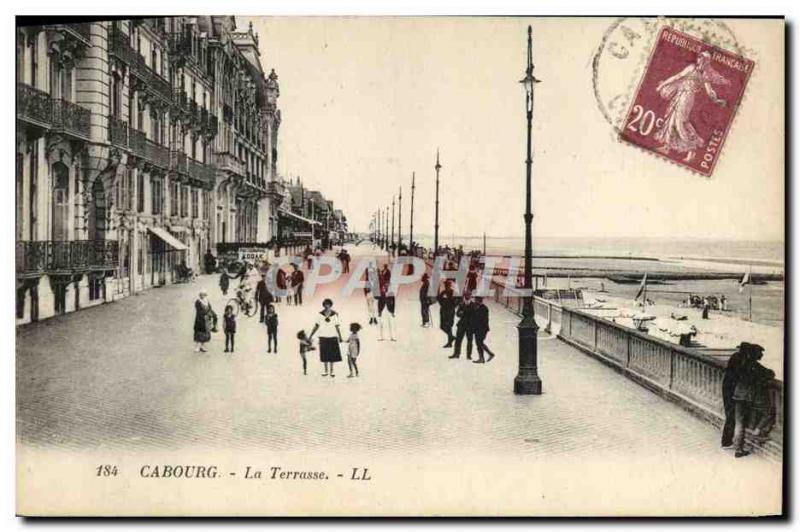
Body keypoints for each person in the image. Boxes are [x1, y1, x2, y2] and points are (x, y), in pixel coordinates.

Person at [731, 344, 776, 457]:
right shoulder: (756, 367)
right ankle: (757, 431)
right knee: (768, 412)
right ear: (755, 355)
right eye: (760, 353)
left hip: (737, 396)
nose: (761, 355)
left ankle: (738, 449)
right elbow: (770, 374)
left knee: (739, 422)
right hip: (749, 398)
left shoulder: (742, 364)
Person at [308, 298, 344, 377]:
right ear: (323, 305)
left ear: (330, 305)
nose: (327, 306)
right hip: (323, 337)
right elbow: (316, 326)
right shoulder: (320, 315)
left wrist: (340, 337)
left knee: (332, 355)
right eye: (325, 304)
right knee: (324, 355)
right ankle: (325, 371)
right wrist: (310, 335)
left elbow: (337, 326)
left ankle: (332, 371)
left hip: (333, 336)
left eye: (328, 304)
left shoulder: (334, 314)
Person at [449, 292, 476, 360]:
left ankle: (468, 355)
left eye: (468, 297)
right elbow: (457, 313)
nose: (466, 299)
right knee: (458, 340)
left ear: (470, 297)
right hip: (462, 325)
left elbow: (475, 315)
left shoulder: (473, 305)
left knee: (469, 341)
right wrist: (460, 313)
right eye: (465, 297)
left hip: (470, 325)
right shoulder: (462, 304)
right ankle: (456, 354)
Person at [472, 296, 495, 363]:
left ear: (480, 300)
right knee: (479, 343)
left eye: (476, 300)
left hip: (482, 329)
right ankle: (489, 354)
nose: (475, 301)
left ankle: (482, 358)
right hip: (477, 329)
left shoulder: (484, 308)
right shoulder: (476, 307)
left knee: (479, 343)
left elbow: (481, 319)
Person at [377, 263, 396, 341]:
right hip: (382, 309)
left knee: (391, 323)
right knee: (382, 324)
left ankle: (393, 337)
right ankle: (382, 337)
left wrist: (393, 311)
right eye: (385, 285)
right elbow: (379, 302)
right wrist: (379, 311)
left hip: (389, 309)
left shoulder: (390, 292)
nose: (386, 286)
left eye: (387, 285)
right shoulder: (381, 292)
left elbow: (393, 302)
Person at [437, 280, 456, 347]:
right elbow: (439, 299)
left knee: (449, 326)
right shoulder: (443, 292)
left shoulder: (453, 293)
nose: (446, 286)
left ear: (450, 286)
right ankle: (451, 337)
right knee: (442, 326)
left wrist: (452, 307)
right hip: (443, 311)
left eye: (447, 285)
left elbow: (456, 302)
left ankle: (449, 343)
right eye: (445, 285)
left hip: (450, 312)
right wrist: (438, 291)